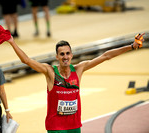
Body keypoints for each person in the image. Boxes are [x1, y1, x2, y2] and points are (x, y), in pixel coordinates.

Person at [7, 33, 144, 133]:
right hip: (55, 126)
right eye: (62, 54)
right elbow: (27, 61)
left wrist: (131, 46)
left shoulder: (79, 69)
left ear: (72, 55)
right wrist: (12, 42)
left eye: (67, 53)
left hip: (74, 125)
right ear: (57, 57)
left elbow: (106, 56)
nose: (65, 57)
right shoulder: (50, 72)